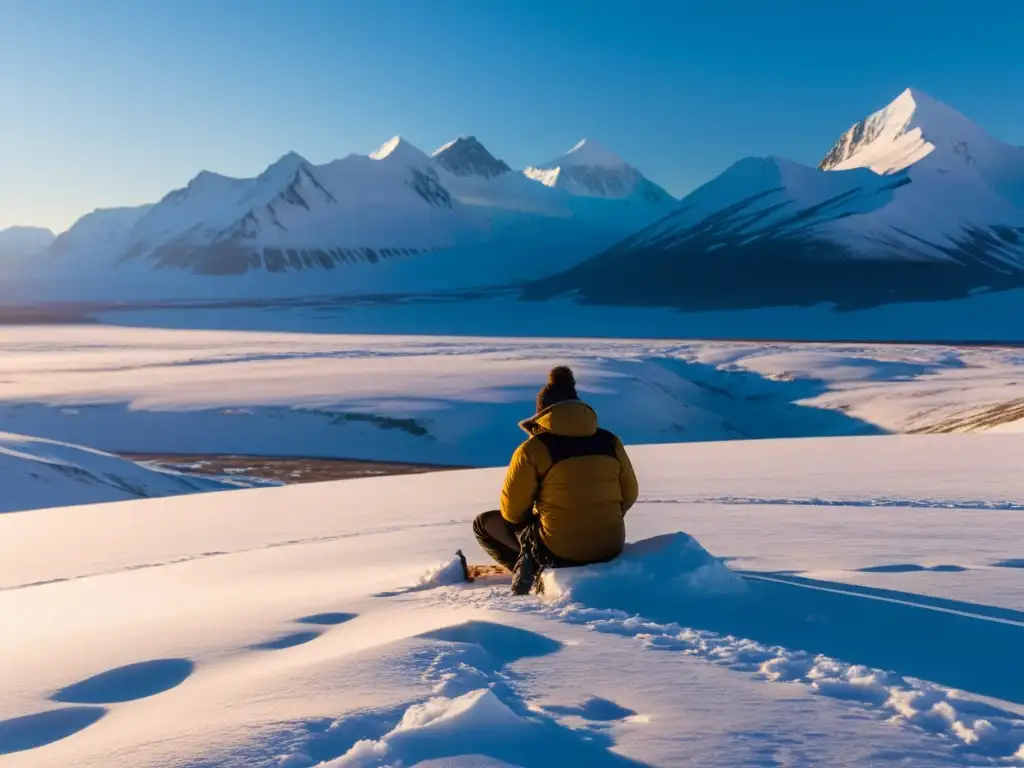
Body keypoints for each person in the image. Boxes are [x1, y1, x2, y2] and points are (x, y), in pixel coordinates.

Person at [473, 366, 639, 594]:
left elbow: (512, 512)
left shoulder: (533, 449)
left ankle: (537, 574)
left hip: (561, 551)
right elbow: (630, 493)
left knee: (483, 524)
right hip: (610, 546)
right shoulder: (609, 441)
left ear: (543, 414)